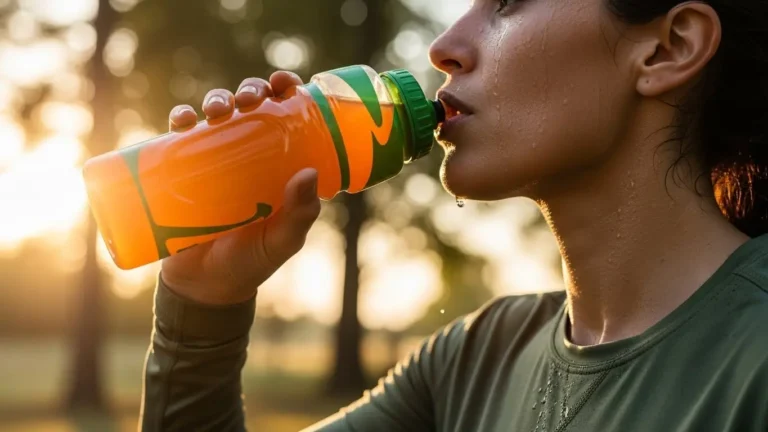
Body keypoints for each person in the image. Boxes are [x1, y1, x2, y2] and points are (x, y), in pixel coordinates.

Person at [138, 0, 768, 430]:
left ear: (668, 49)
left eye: (507, 3)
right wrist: (203, 301)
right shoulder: (474, 360)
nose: (445, 47)